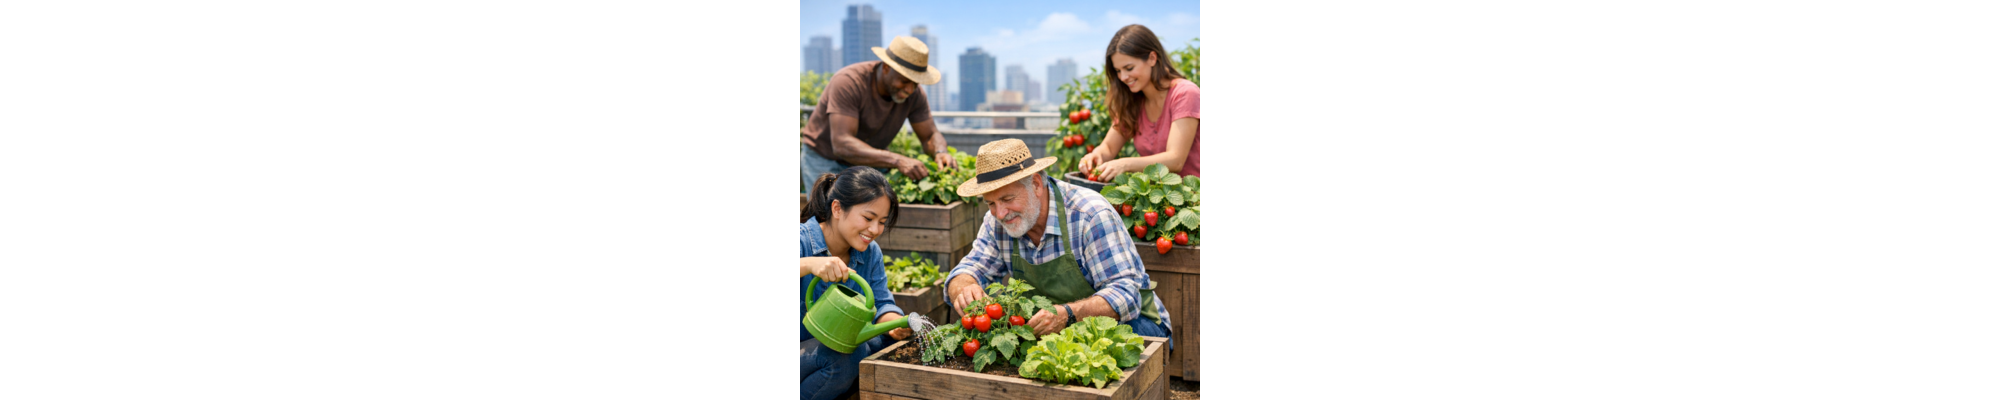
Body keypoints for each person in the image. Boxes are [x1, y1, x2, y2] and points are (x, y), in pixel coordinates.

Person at [945, 139, 1173, 348]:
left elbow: (1126, 296)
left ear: (1035, 184)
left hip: (1138, 326)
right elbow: (969, 269)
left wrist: (1067, 314)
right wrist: (964, 287)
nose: (1000, 213)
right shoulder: (997, 222)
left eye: (1007, 199)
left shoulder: (1090, 214)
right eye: (990, 203)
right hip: (1056, 332)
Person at [798, 167, 913, 400]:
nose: (875, 230)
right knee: (843, 356)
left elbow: (881, 301)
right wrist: (807, 265)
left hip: (828, 354)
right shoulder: (802, 241)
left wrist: (892, 322)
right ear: (837, 209)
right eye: (868, 218)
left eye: (882, 222)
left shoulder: (870, 253)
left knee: (883, 344)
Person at [800, 36, 957, 192]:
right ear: (887, 68)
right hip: (824, 157)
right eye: (904, 81)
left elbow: (929, 135)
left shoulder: (915, 94)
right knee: (827, 212)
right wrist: (897, 160)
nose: (909, 89)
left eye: (915, 83)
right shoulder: (849, 82)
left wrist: (940, 152)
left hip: (867, 160)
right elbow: (842, 144)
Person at [1077, 24, 1201, 178]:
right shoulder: (1133, 100)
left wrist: (1125, 164)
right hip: (1153, 198)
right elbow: (1108, 148)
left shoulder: (1184, 93)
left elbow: (1176, 159)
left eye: (1129, 68)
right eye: (1118, 71)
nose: (1122, 77)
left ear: (1152, 58)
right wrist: (1095, 156)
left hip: (1193, 197)